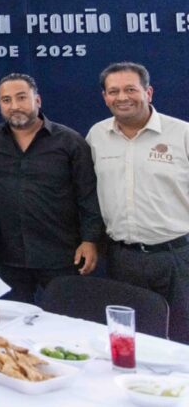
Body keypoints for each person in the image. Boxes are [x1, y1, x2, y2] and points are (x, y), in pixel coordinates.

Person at [86, 62, 189, 344]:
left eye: (130, 89)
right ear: (105, 97)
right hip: (123, 258)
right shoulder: (97, 136)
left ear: (148, 92)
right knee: (129, 337)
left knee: (182, 337)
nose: (122, 97)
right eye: (114, 91)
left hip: (177, 257)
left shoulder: (182, 134)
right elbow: (88, 193)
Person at [0, 73, 102, 304]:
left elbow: (88, 195)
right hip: (9, 256)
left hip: (61, 255)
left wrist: (90, 240)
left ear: (37, 100)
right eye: (6, 100)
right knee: (12, 320)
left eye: (21, 97)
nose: (14, 106)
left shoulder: (69, 141)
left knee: (65, 318)